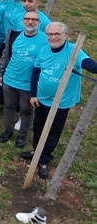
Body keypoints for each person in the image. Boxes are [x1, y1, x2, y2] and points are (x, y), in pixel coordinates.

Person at [23, 22, 97, 179]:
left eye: (57, 34)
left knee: (52, 131)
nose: (53, 37)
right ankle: (36, 152)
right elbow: (36, 73)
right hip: (41, 99)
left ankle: (44, 160)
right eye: (50, 34)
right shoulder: (44, 51)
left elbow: (88, 64)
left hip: (60, 102)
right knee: (38, 127)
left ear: (66, 35)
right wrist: (34, 94)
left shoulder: (74, 51)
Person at [0, 11, 48, 149]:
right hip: (10, 79)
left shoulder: (45, 40)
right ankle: (8, 131)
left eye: (34, 20)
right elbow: (5, 55)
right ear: (23, 21)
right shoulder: (14, 36)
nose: (30, 22)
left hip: (29, 84)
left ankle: (22, 136)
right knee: (9, 106)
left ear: (39, 23)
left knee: (26, 110)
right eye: (27, 19)